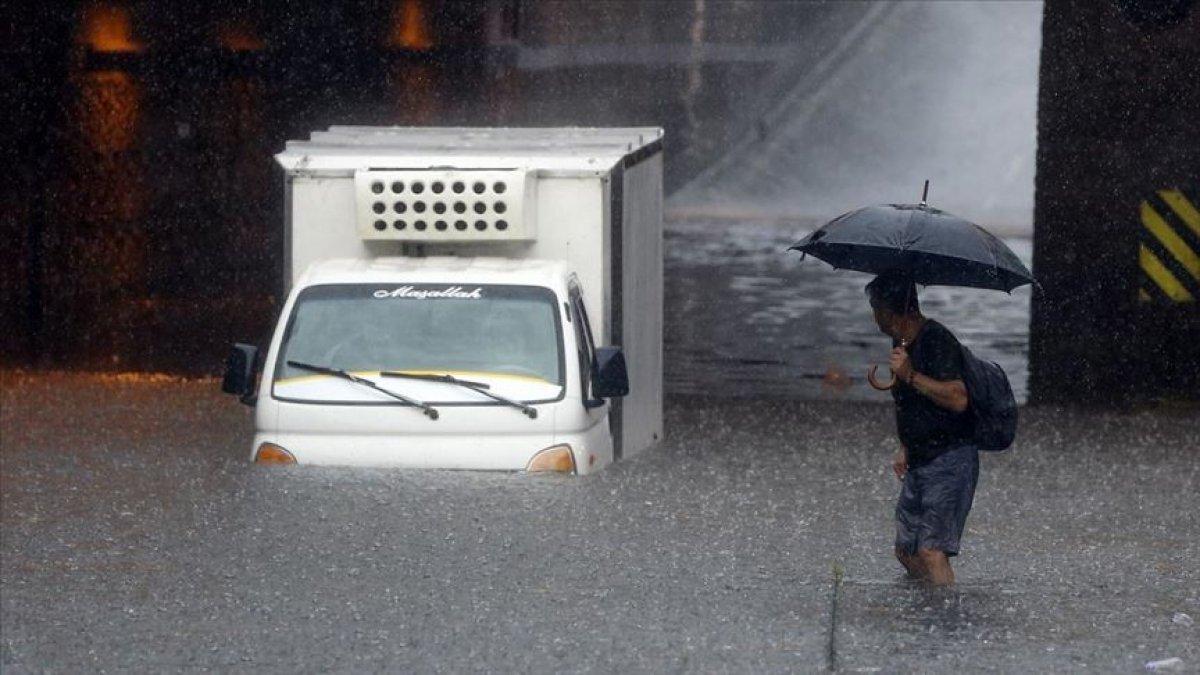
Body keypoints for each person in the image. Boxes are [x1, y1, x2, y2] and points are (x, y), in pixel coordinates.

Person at [865, 274, 977, 586]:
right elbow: (911, 404)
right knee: (906, 550)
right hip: (920, 458)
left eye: (874, 308)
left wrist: (910, 375)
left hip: (950, 458)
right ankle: (927, 606)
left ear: (890, 311)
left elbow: (958, 398)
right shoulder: (900, 342)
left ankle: (946, 618)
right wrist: (905, 446)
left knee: (930, 550)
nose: (873, 316)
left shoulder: (937, 340)